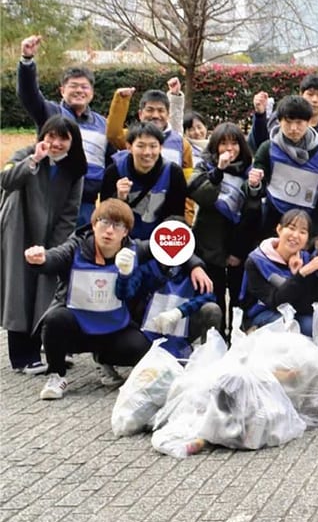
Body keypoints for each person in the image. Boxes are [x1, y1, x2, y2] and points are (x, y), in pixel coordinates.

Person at [22, 200, 151, 400]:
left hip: (113, 328)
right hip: (77, 326)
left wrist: (195, 265)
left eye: (118, 225)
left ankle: (103, 359)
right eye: (104, 222)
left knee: (140, 347)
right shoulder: (76, 247)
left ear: (125, 232)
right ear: (93, 225)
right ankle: (57, 375)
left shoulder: (134, 250)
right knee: (54, 319)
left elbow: (166, 247)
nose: (109, 231)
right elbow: (56, 256)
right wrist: (41, 258)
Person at [1, 115, 86, 372]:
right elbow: (6, 181)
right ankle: (22, 358)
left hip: (51, 237)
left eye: (63, 138)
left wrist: (54, 250)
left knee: (46, 290)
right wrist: (34, 160)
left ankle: (48, 348)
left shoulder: (74, 169)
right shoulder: (25, 154)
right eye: (51, 136)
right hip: (19, 231)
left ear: (73, 142)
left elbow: (70, 212)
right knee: (19, 291)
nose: (56, 143)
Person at [16, 34, 109, 223]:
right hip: (52, 197)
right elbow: (29, 95)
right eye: (73, 86)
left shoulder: (103, 124)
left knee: (82, 249)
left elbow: (111, 160)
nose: (79, 91)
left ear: (92, 92)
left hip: (87, 203)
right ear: (62, 90)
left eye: (84, 87)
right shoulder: (50, 112)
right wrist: (27, 61)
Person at [187, 122, 261, 339]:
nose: (229, 148)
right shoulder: (205, 166)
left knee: (238, 297)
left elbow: (253, 212)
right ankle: (215, 339)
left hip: (238, 242)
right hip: (209, 242)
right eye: (223, 143)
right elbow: (201, 196)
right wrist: (218, 171)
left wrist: (255, 189)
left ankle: (236, 338)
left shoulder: (249, 170)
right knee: (214, 295)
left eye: (234, 143)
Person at [247, 94, 318, 237]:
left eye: (299, 122)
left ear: (308, 122)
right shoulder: (268, 148)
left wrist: (316, 235)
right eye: (288, 122)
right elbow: (257, 190)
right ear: (279, 121)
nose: (293, 128)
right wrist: (254, 184)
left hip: (308, 228)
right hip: (271, 224)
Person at [116, 242, 221, 358]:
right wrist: (124, 275)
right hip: (145, 329)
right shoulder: (146, 269)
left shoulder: (191, 271)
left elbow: (209, 295)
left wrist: (179, 312)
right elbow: (125, 294)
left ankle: (208, 359)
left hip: (181, 326)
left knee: (212, 309)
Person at [240, 210, 318, 336]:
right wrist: (301, 274)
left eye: (303, 232)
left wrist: (299, 274)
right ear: (279, 229)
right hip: (264, 313)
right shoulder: (257, 261)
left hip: (296, 312)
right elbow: (275, 302)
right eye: (291, 228)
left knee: (313, 326)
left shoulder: (306, 259)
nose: (296, 235)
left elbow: (307, 305)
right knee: (286, 326)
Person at [100, 123, 189, 242]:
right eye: (141, 146)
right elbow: (104, 216)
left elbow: (176, 216)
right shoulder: (115, 171)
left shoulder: (173, 173)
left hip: (158, 241)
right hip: (121, 241)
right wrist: (119, 198)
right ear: (129, 147)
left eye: (153, 146)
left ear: (161, 147)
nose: (147, 152)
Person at [251, 74, 318, 164]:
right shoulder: (282, 121)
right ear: (301, 95)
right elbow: (261, 146)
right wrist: (260, 114)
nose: (314, 100)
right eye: (310, 94)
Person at [105, 88, 193, 176]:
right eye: (150, 110)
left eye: (160, 110)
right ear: (140, 114)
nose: (155, 115)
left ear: (168, 114)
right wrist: (121, 100)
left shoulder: (182, 144)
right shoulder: (131, 136)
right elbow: (113, 134)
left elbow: (187, 178)